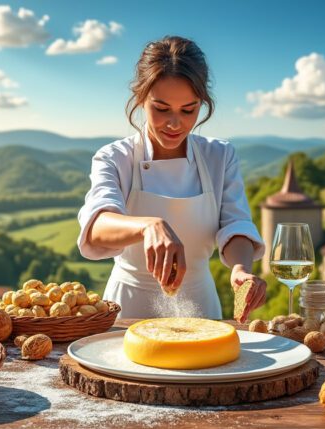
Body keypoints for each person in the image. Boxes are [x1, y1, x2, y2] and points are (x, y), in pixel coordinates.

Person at [77, 36, 266, 320]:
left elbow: (236, 224)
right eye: (162, 109)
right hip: (126, 311)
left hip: (201, 307)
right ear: (141, 98)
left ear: (202, 103)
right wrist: (148, 226)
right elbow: (96, 225)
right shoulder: (115, 157)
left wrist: (241, 268)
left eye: (188, 110)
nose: (175, 123)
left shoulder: (220, 156)